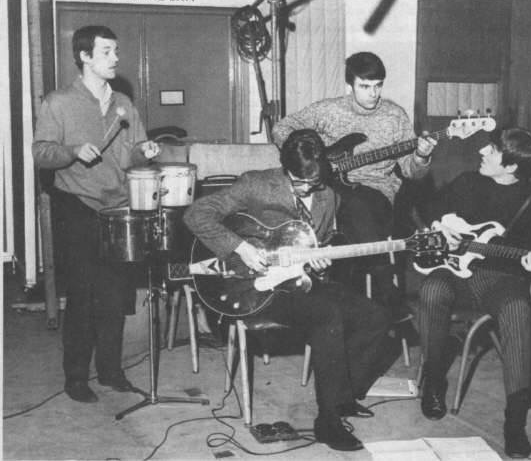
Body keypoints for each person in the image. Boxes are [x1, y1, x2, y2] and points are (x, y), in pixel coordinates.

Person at [183, 129, 389, 452]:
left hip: (299, 281)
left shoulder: (328, 196)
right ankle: (328, 421)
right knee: (327, 315)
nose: (307, 189)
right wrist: (240, 247)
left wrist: (320, 261)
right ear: (285, 168)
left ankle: (343, 395)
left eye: (314, 182)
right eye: (299, 182)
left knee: (376, 317)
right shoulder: (256, 184)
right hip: (255, 287)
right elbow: (196, 214)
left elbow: (319, 246)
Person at [417, 127, 531, 458]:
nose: (483, 151)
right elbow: (427, 210)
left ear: (512, 166)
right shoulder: (467, 182)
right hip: (454, 272)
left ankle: (515, 422)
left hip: (500, 278)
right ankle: (434, 382)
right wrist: (439, 227)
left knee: (517, 309)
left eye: (493, 150)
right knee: (431, 290)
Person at [32, 25, 161, 403]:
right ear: (84, 56)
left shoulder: (123, 103)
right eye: (107, 51)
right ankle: (75, 377)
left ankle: (110, 370)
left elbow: (130, 157)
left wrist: (144, 152)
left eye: (116, 51)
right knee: (83, 295)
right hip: (77, 206)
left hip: (117, 207)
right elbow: (41, 153)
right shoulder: (58, 102)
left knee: (115, 294)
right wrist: (72, 151)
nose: (116, 58)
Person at [272, 51, 436, 320]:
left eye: (378, 86)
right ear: (350, 85)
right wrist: (307, 156)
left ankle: (374, 295)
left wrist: (421, 156)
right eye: (365, 86)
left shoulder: (394, 115)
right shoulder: (330, 110)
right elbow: (282, 127)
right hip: (327, 187)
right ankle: (369, 298)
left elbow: (411, 171)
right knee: (340, 211)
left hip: (376, 191)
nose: (373, 93)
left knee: (357, 207)